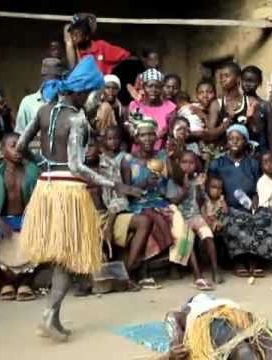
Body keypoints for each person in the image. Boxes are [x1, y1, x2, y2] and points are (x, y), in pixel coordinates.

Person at [16, 56, 141, 341]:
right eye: (93, 93)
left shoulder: (43, 111)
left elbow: (21, 145)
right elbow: (76, 166)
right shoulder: (76, 119)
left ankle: (53, 317)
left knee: (63, 257)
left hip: (46, 188)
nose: (95, 99)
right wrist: (115, 184)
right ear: (81, 91)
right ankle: (49, 316)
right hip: (69, 193)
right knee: (68, 257)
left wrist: (44, 164)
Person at [122, 117, 195, 288]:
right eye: (142, 135)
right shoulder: (128, 160)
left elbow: (177, 178)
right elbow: (126, 191)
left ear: (156, 137)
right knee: (152, 220)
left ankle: (175, 264)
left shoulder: (162, 156)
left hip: (160, 202)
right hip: (138, 204)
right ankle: (141, 271)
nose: (147, 139)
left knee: (180, 222)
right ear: (136, 138)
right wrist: (144, 184)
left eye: (150, 135)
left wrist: (174, 158)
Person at [0, 133, 39, 301]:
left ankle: (27, 282)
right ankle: (2, 281)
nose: (18, 148)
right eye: (13, 145)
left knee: (52, 241)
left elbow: (41, 201)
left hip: (27, 219)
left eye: (21, 145)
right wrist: (0, 224)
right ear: (3, 150)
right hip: (0, 220)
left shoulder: (32, 169)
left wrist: (32, 221)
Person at [209, 124, 272, 277]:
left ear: (245, 142)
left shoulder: (252, 163)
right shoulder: (217, 164)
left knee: (264, 218)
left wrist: (256, 199)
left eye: (238, 139)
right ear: (227, 142)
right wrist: (221, 200)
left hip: (249, 206)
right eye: (231, 139)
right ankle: (238, 261)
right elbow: (211, 189)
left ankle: (254, 260)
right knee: (238, 221)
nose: (234, 142)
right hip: (226, 208)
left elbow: (259, 187)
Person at [97, 126, 152, 284]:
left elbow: (126, 189)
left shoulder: (125, 159)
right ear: (103, 141)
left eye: (115, 138)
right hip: (102, 207)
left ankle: (127, 270)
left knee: (143, 222)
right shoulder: (98, 160)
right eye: (109, 139)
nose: (112, 142)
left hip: (119, 204)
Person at [166, 150, 223, 286]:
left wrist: (198, 188)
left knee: (208, 235)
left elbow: (200, 202)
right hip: (180, 218)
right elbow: (173, 202)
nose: (188, 166)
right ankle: (197, 273)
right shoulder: (172, 182)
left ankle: (215, 268)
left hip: (195, 216)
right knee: (188, 238)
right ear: (178, 164)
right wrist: (185, 189)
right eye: (184, 162)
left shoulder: (197, 181)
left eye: (191, 163)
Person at [207, 62, 258, 154]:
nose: (222, 80)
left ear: (238, 78)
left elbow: (256, 131)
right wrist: (229, 119)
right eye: (221, 77)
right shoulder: (216, 104)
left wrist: (250, 118)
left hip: (246, 155)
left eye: (226, 76)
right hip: (223, 155)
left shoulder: (250, 101)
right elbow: (210, 135)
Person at [128, 68, 176, 151]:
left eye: (157, 87)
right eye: (149, 86)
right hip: (138, 154)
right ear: (143, 87)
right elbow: (132, 136)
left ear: (161, 88)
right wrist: (155, 137)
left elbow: (171, 136)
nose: (153, 90)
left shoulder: (170, 108)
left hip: (161, 154)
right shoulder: (135, 106)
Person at [64, 13, 130, 73]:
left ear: (87, 36)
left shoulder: (101, 47)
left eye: (76, 34)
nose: (73, 38)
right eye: (72, 34)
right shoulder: (72, 52)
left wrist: (111, 75)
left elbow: (125, 56)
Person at [15, 58, 65, 135]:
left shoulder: (67, 102)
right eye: (48, 78)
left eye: (56, 78)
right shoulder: (28, 102)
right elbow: (19, 133)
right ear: (43, 77)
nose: (52, 83)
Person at [241, 65, 272, 152]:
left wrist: (271, 152)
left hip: (260, 149)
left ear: (259, 83)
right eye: (245, 80)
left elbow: (271, 133)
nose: (248, 84)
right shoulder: (236, 103)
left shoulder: (265, 105)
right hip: (240, 149)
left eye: (252, 81)